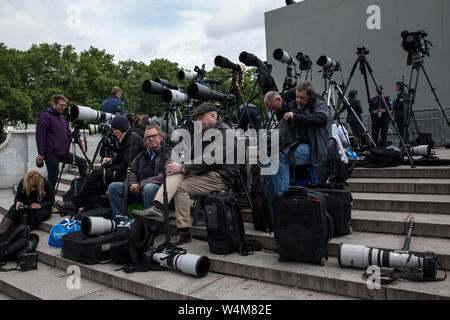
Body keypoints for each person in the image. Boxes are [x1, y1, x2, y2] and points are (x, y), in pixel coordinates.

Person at [133, 104, 239, 246]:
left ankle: (184, 231)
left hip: (219, 175)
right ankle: (158, 206)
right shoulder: (202, 133)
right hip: (202, 172)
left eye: (200, 118)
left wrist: (183, 167)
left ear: (213, 116)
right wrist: (179, 163)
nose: (198, 122)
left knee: (181, 186)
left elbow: (210, 160)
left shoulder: (226, 134)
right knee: (173, 171)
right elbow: (191, 156)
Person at [55, 116, 145, 213]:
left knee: (94, 173)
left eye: (115, 130)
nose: (114, 132)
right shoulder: (128, 137)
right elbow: (123, 159)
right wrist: (110, 161)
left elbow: (126, 165)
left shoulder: (132, 139)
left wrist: (110, 168)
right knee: (97, 177)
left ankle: (75, 204)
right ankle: (90, 206)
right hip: (126, 172)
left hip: (130, 175)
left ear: (121, 128)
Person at [272, 81, 332, 196]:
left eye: (302, 97)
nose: (298, 100)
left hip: (316, 147)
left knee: (279, 156)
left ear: (310, 97)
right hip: (302, 144)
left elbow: (322, 119)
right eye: (297, 96)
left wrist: (296, 116)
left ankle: (283, 194)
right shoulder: (296, 106)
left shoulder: (319, 104)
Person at [108, 125, 171, 221]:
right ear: (145, 140)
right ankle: (123, 222)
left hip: (157, 192)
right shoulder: (143, 154)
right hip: (138, 188)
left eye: (154, 136)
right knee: (114, 187)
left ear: (160, 137)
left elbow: (163, 176)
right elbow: (132, 169)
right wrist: (131, 184)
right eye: (148, 137)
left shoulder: (167, 153)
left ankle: (151, 227)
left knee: (149, 188)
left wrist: (140, 185)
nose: (151, 139)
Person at [36, 95, 87, 192]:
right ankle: (48, 202)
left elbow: (67, 133)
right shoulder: (44, 116)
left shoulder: (61, 117)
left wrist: (78, 140)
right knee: (53, 178)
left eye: (65, 106)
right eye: (61, 105)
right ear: (54, 103)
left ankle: (83, 189)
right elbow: (40, 137)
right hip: (51, 154)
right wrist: (41, 154)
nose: (63, 108)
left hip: (64, 152)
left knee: (82, 162)